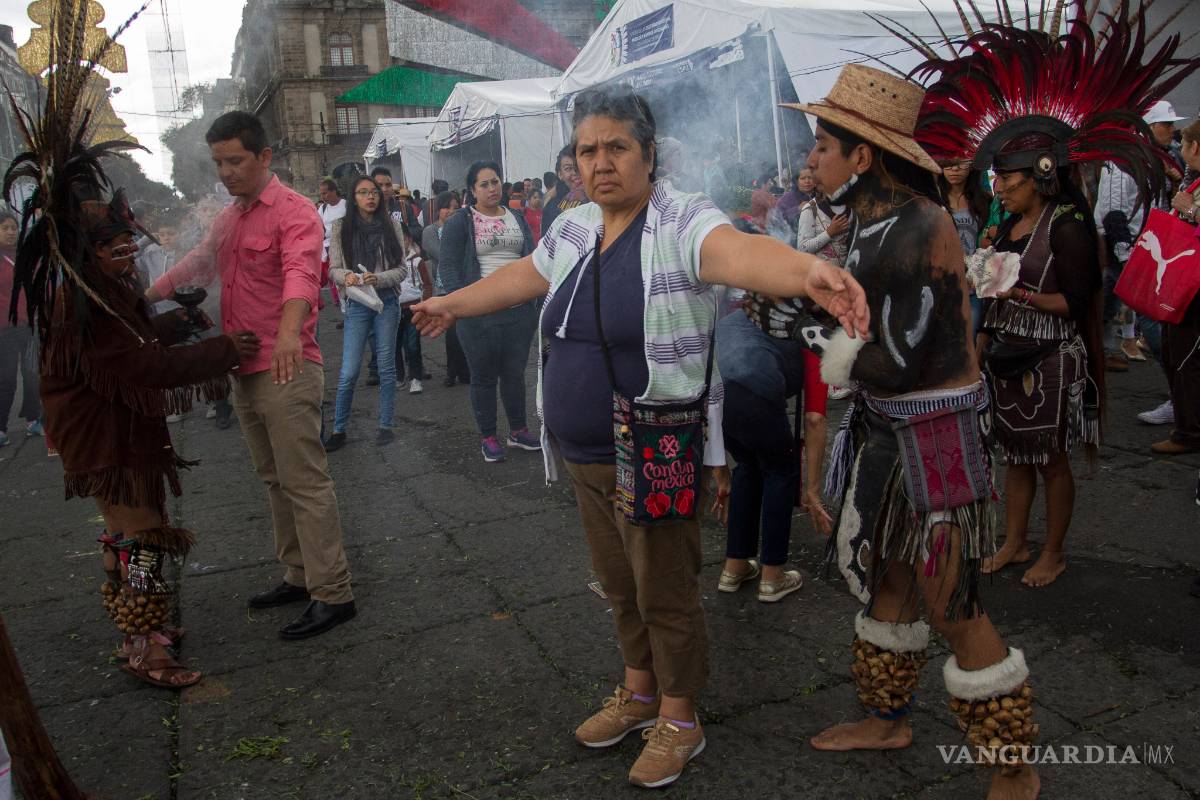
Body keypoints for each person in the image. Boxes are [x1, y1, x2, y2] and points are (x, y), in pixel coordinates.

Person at [412, 88, 869, 789]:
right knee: (619, 585)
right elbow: (520, 277)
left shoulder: (681, 218)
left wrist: (807, 271)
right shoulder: (570, 227)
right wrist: (450, 302)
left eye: (616, 147)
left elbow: (739, 253)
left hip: (655, 448)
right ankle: (640, 692)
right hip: (586, 454)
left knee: (665, 590)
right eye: (588, 149)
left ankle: (681, 720)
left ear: (648, 154)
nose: (601, 162)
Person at [749, 61, 1041, 799]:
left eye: (823, 145)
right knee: (890, 579)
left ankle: (1013, 764)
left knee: (951, 600)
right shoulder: (865, 228)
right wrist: (788, 305)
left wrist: (804, 325)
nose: (810, 159)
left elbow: (899, 359)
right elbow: (854, 331)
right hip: (886, 431)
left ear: (862, 155)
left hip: (937, 441)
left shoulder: (920, 225)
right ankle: (887, 720)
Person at [147, 111, 357, 640]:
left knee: (305, 483)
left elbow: (302, 274)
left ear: (265, 156)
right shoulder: (230, 217)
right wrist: (140, 300)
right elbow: (198, 262)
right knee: (273, 480)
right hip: (242, 367)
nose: (226, 171)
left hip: (287, 367)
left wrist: (289, 332)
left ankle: (333, 593)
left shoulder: (294, 212)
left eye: (235, 160)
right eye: (219, 162)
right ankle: (297, 574)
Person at [439, 161, 541, 462]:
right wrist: (462, 303)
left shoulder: (517, 218)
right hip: (479, 313)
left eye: (495, 181)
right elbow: (448, 265)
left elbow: (532, 258)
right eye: (483, 184)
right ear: (473, 190)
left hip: (519, 312)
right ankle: (488, 436)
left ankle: (518, 431)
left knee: (514, 374)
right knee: (483, 377)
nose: (491, 188)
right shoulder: (462, 220)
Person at [324, 176, 409, 450]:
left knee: (386, 366)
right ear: (354, 197)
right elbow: (333, 269)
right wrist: (347, 276)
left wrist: (379, 278)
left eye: (374, 192)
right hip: (358, 302)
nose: (370, 197)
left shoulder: (391, 225)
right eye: (363, 192)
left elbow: (402, 269)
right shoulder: (340, 227)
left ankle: (386, 425)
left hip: (386, 301)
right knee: (349, 370)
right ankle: (339, 429)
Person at [1153, 120, 1200, 456]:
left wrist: (1192, 210)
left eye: (1184, 143)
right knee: (1176, 350)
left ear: (1194, 147)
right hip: (1184, 280)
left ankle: (1190, 430)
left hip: (1193, 285)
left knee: (1186, 355)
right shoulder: (1190, 177)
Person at [0, 211, 42, 446]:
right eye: (4, 228)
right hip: (3, 328)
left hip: (28, 325)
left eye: (13, 228)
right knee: (5, 379)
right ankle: (0, 427)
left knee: (32, 374)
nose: (10, 232)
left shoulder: (24, 256)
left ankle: (33, 420)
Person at [422, 191, 471, 387]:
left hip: (465, 285)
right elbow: (444, 255)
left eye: (455, 206)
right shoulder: (430, 231)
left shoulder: (465, 229)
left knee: (465, 331)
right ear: (438, 209)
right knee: (452, 334)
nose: (451, 211)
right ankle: (453, 371)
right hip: (444, 288)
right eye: (446, 207)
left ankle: (464, 370)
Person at [940, 160, 993, 333]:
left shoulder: (985, 202)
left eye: (961, 163)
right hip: (943, 287)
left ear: (972, 164)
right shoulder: (932, 201)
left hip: (974, 289)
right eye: (948, 162)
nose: (954, 168)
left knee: (969, 341)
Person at [396, 223, 433, 394]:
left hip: (413, 308)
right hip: (393, 310)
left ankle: (416, 378)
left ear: (408, 239)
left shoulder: (417, 261)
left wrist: (422, 305)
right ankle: (398, 377)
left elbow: (427, 285)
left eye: (402, 238)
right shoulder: (388, 262)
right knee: (394, 345)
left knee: (412, 345)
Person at [541, 146, 587, 230]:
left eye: (579, 166)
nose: (575, 172)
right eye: (568, 169)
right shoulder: (552, 208)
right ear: (560, 174)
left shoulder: (603, 199)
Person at [317, 177, 346, 305]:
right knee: (333, 280)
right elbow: (317, 227)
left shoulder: (346, 205)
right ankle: (341, 308)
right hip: (328, 250)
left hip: (344, 247)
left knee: (345, 279)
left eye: (325, 193)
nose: (323, 196)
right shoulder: (322, 209)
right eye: (321, 194)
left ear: (334, 191)